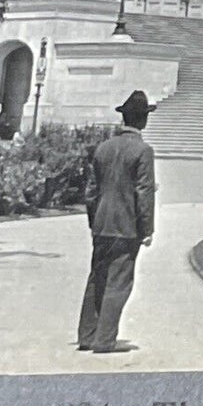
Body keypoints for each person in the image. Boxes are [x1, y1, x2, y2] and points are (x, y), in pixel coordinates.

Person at [77, 90, 156, 354]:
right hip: (127, 226)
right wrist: (147, 229)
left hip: (101, 224)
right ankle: (105, 340)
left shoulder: (103, 148)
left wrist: (94, 221)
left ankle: (87, 335)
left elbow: (90, 191)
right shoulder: (143, 150)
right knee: (119, 282)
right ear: (143, 120)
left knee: (96, 278)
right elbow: (143, 192)